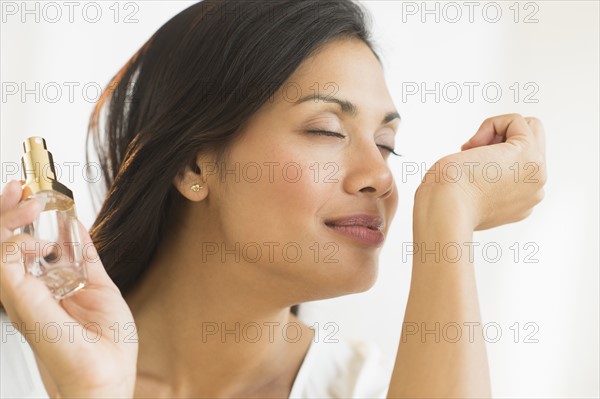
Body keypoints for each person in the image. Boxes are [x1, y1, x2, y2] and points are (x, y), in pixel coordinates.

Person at [0, 0, 547, 397]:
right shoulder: (19, 366)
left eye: (387, 145)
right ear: (194, 165)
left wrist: (448, 213)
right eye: (328, 131)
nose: (379, 176)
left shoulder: (373, 388)